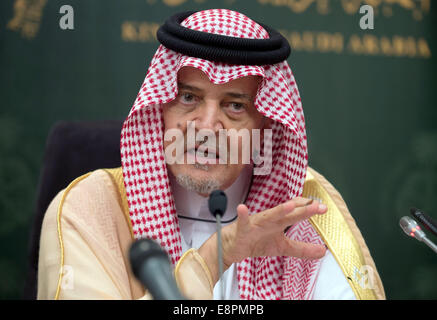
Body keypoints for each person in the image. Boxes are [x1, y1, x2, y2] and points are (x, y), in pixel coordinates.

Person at [37, 9, 385, 300]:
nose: (206, 127)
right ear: (160, 110)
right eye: (188, 98)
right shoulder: (89, 209)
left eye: (234, 106)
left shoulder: (305, 212)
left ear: (264, 126)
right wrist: (212, 259)